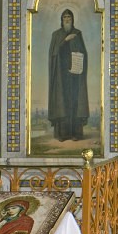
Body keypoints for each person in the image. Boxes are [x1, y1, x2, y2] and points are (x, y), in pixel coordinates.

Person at [48, 9, 89, 141]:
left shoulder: (77, 33)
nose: (67, 19)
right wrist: (65, 41)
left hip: (75, 76)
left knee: (75, 102)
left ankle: (76, 134)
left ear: (72, 19)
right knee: (62, 102)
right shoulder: (56, 35)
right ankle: (62, 135)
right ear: (62, 19)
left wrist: (78, 60)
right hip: (61, 76)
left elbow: (83, 53)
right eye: (65, 17)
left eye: (69, 17)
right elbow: (53, 54)